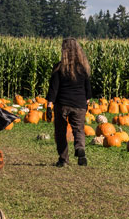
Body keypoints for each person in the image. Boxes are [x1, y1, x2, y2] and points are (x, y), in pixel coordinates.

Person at [46, 38, 92, 167]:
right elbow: (88, 90)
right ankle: (79, 148)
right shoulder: (83, 68)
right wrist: (86, 102)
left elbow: (53, 89)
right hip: (80, 104)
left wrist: (49, 106)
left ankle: (63, 159)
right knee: (79, 129)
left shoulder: (59, 67)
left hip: (62, 104)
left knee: (60, 131)